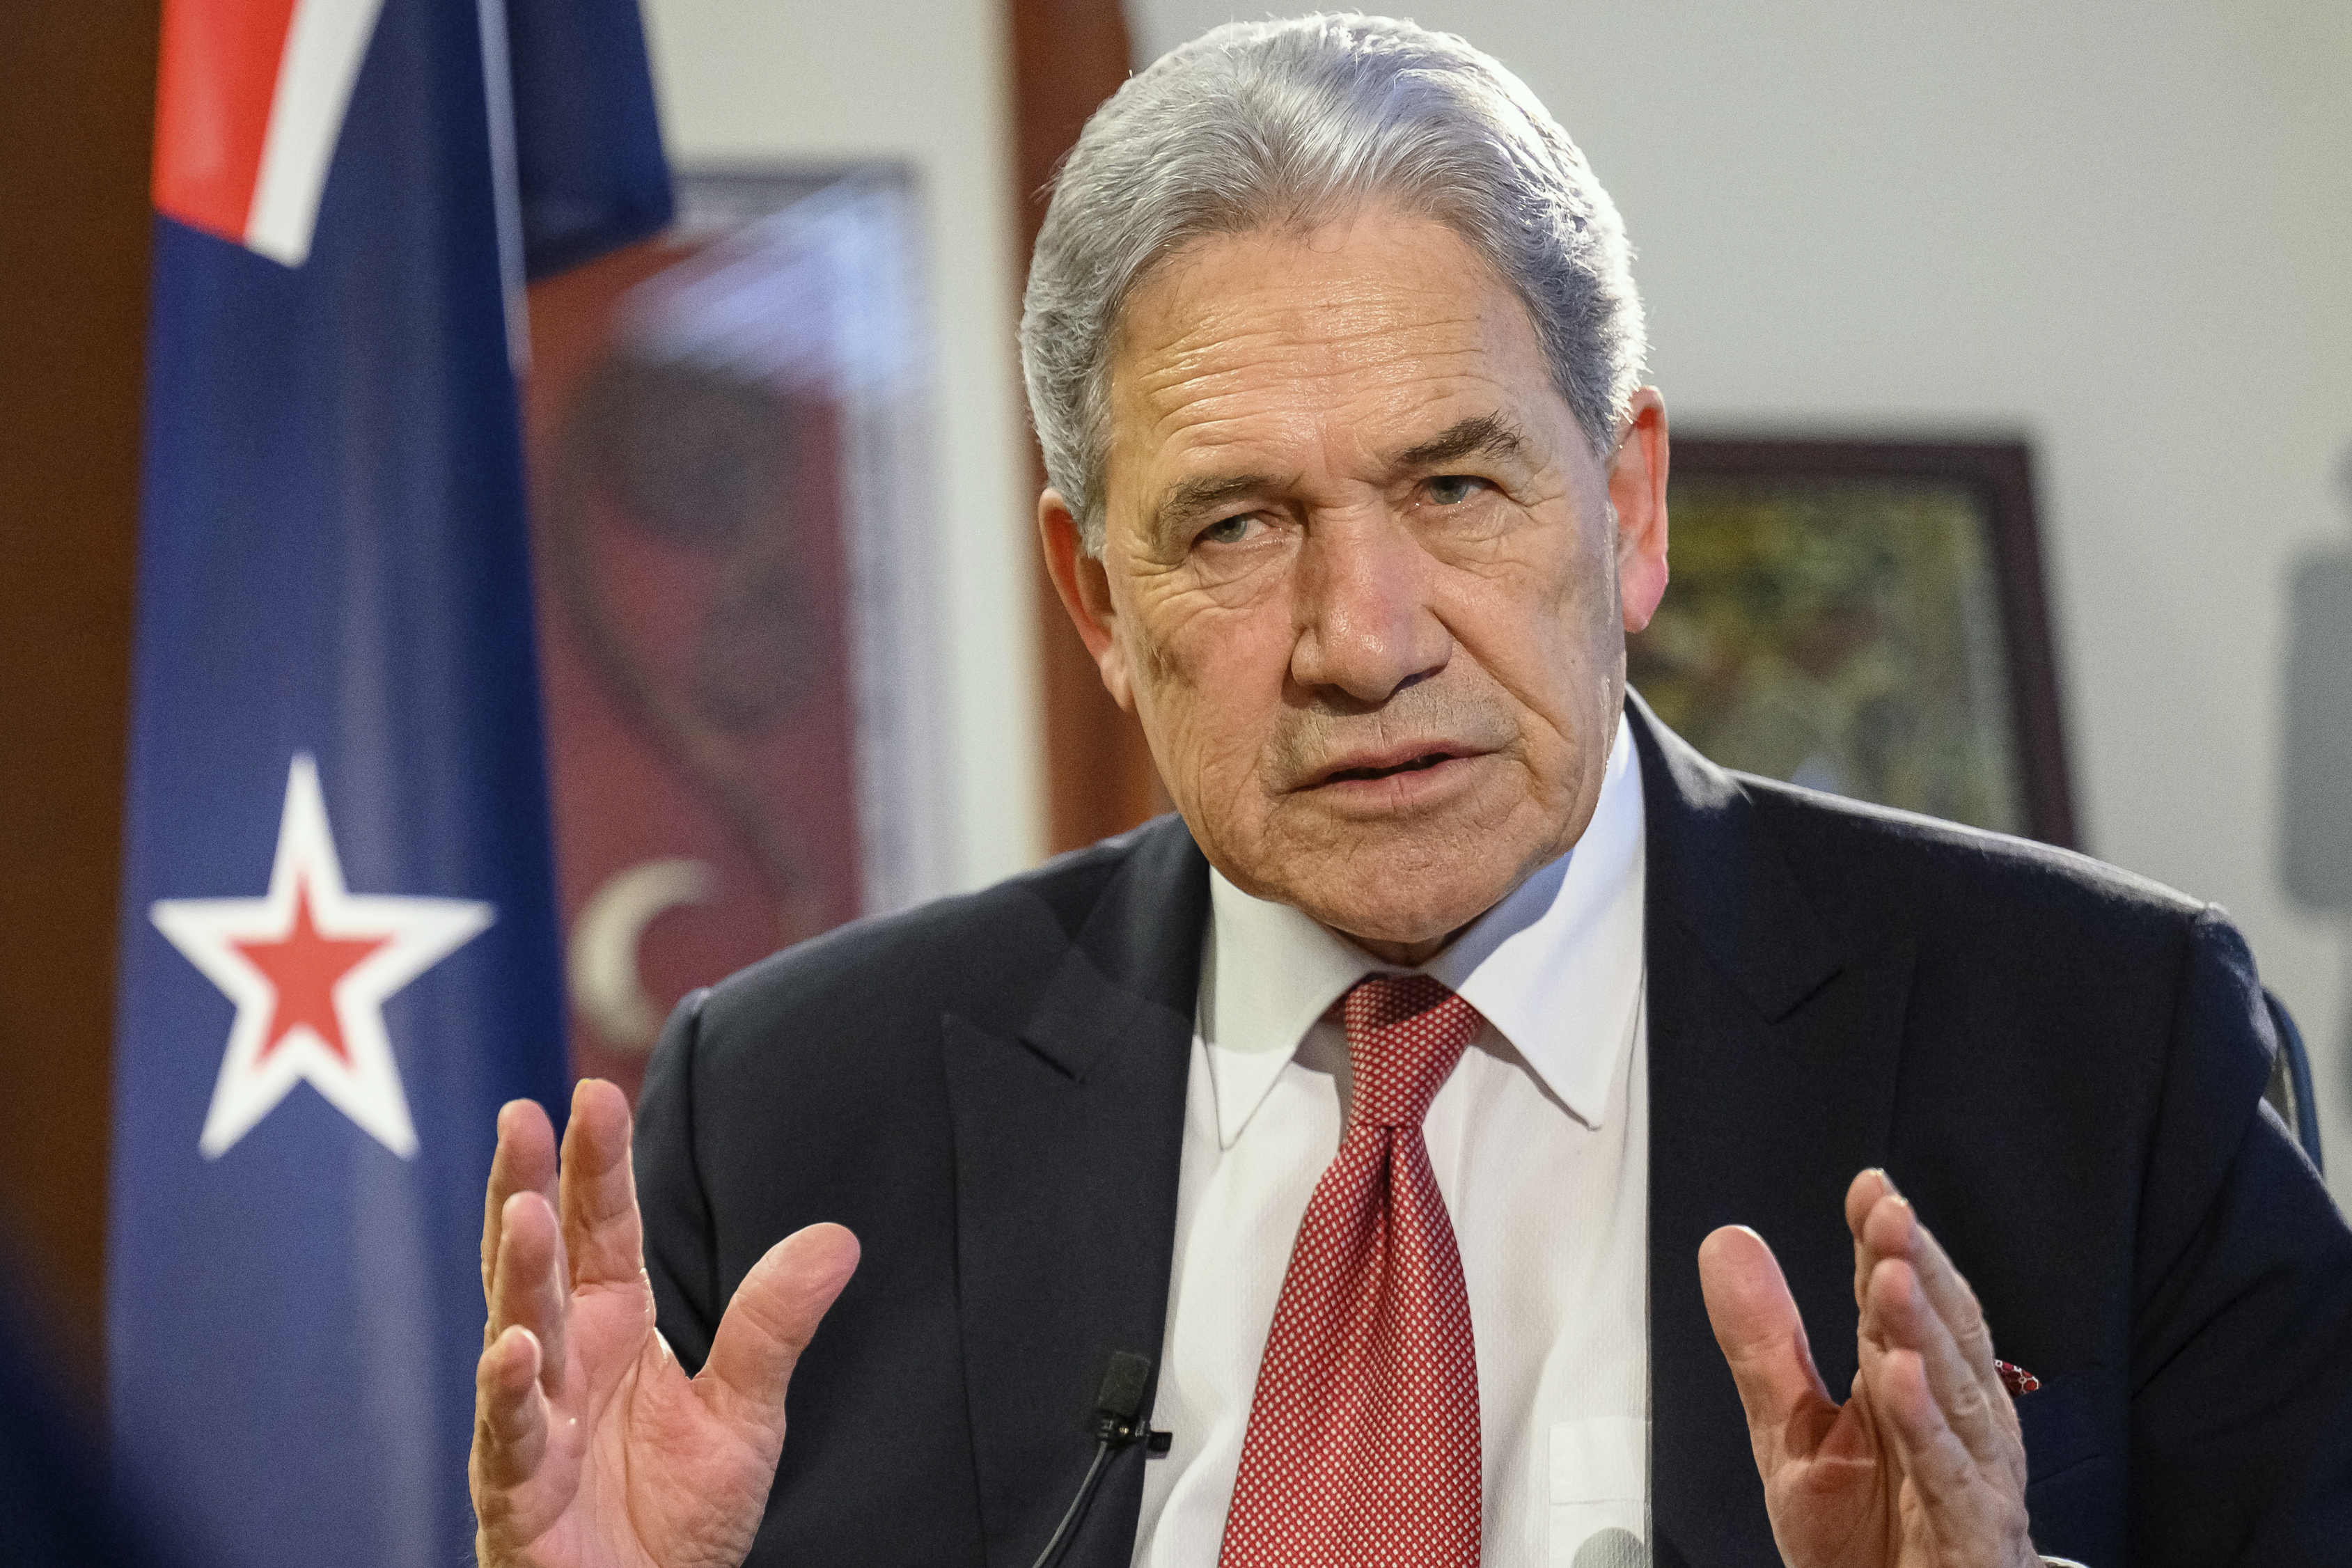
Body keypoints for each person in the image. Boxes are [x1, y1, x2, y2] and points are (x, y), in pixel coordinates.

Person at [467, 15, 2352, 1568]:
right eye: (1233, 524)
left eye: (1455, 488)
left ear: (1623, 510)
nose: (1360, 639)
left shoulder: (2099, 1052)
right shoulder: (794, 1110)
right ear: (1094, 600)